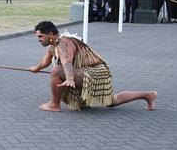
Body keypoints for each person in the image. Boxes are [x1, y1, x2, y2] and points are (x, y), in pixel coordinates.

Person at [29, 21, 157, 112]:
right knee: (111, 101)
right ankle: (147, 95)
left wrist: (69, 78)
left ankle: (54, 105)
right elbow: (45, 61)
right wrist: (36, 68)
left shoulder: (64, 43)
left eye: (41, 36)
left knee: (57, 70)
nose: (39, 39)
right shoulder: (53, 46)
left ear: (50, 34)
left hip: (95, 72)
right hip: (92, 72)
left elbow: (67, 62)